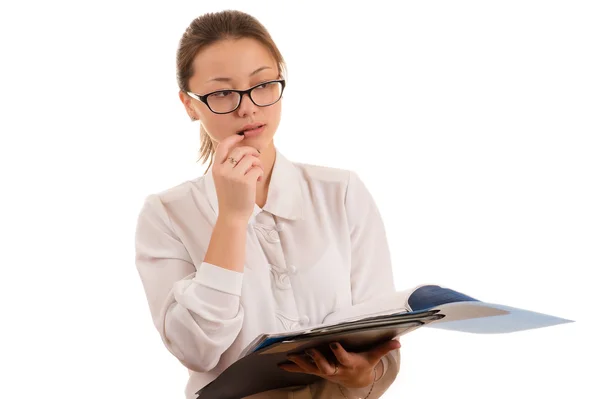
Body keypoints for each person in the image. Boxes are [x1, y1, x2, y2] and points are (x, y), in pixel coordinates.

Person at [134, 9, 401, 399]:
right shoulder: (166, 214)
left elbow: (379, 331)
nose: (247, 107)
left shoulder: (340, 192)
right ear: (189, 104)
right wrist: (232, 217)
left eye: (262, 85)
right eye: (222, 92)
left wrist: (365, 378)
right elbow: (196, 350)